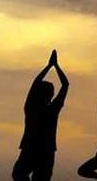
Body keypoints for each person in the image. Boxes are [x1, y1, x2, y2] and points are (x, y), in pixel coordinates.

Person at [12, 50, 69, 181]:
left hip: (32, 149)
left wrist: (49, 66)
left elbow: (35, 83)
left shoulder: (32, 107)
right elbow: (65, 85)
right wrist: (55, 66)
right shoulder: (51, 109)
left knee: (19, 175)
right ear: (51, 95)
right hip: (44, 151)